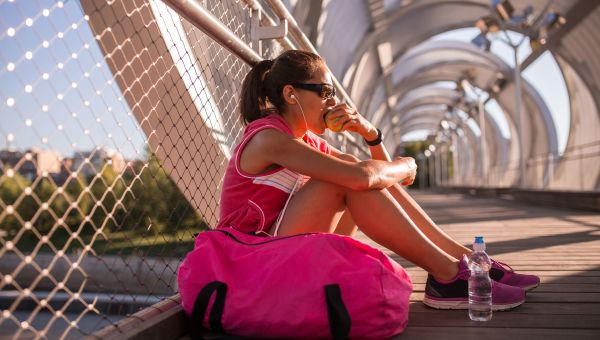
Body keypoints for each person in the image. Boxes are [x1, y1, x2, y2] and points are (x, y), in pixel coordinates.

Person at [217, 49, 539, 310]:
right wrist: (405, 164)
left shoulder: (304, 140)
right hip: (250, 270)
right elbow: (364, 176)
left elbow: (383, 182)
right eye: (325, 92)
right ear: (291, 94)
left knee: (352, 172)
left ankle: (463, 262)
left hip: (276, 257)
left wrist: (371, 134)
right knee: (346, 178)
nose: (334, 102)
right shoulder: (268, 138)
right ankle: (450, 275)